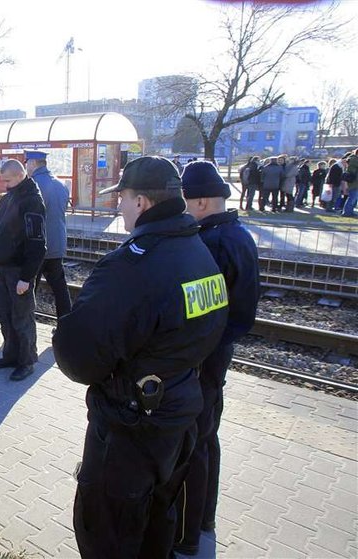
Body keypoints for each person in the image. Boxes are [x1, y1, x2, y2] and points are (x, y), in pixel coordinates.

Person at [52, 156, 228, 558]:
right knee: (156, 522)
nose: (118, 205)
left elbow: (78, 356)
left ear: (143, 203)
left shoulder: (133, 265)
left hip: (130, 426)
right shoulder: (196, 248)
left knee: (106, 532)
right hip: (179, 412)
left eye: (123, 197)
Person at [175, 161, 260, 555]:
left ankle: (188, 536)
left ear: (204, 202)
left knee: (193, 442)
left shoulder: (210, 243)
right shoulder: (239, 234)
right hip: (220, 353)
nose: (183, 209)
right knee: (208, 438)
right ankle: (205, 517)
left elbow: (200, 309)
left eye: (186, 201)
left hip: (202, 358)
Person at [0, 159, 46, 382]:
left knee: (22, 318)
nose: (5, 184)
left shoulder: (33, 201)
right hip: (2, 268)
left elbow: (37, 244)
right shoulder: (8, 198)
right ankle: (10, 355)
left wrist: (27, 277)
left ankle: (26, 361)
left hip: (19, 271)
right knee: (3, 314)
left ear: (20, 176)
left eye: (8, 180)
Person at [24, 150, 71, 318]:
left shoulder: (31, 185)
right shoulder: (61, 184)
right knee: (60, 288)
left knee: (28, 287)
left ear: (33, 163)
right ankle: (66, 324)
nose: (25, 167)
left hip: (37, 245)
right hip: (56, 244)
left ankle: (26, 326)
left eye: (26, 163)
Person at [342, 149, 358, 217]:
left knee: (353, 198)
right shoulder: (354, 159)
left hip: (355, 181)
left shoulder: (353, 158)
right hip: (354, 181)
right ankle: (347, 212)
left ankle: (349, 211)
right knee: (352, 198)